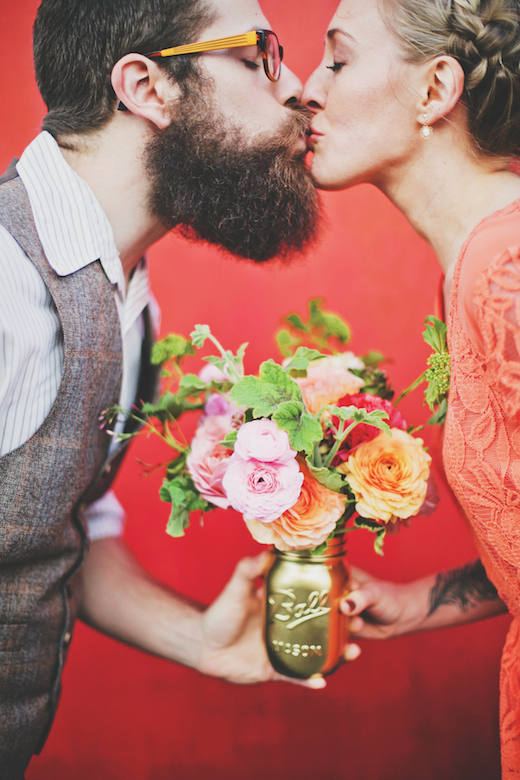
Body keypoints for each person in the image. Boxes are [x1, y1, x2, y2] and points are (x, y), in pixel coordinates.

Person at [0, 0, 325, 775]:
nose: (299, 87)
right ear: (148, 86)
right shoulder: (4, 284)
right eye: (258, 58)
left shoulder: (127, 292)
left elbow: (57, 521)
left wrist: (200, 641)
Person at [302, 0, 520, 775]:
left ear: (435, 91)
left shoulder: (506, 276)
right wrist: (425, 599)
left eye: (337, 59)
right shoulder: (473, 270)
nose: (307, 88)